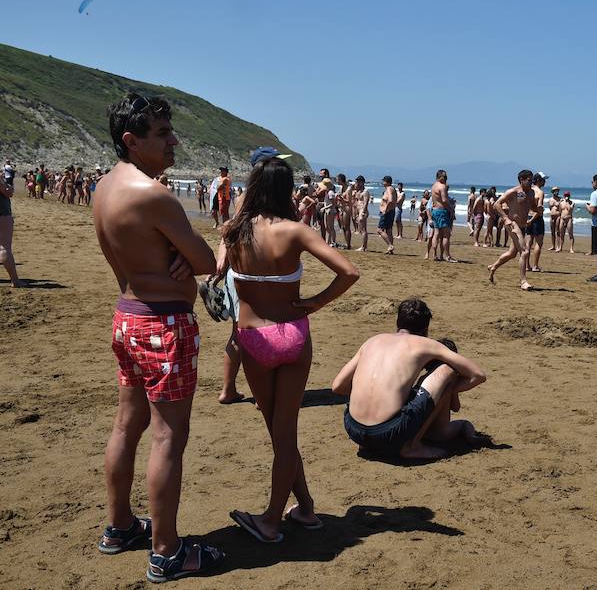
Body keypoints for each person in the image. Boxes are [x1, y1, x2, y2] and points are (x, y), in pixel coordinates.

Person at [94, 94, 224, 582]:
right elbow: (209, 262)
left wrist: (173, 254)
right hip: (163, 325)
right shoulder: (153, 195)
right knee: (169, 435)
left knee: (127, 426)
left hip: (127, 316)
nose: (174, 141)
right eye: (163, 134)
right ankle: (167, 551)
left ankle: (120, 526)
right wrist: (184, 256)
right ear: (132, 141)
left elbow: (138, 252)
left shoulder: (105, 188)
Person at [217, 150, 358, 543]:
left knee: (280, 436)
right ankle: (307, 509)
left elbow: (217, 269)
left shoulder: (234, 231)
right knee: (286, 435)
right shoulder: (296, 231)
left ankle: (271, 520)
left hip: (254, 336)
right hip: (294, 334)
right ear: (286, 189)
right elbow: (349, 271)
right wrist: (316, 302)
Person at [333, 298, 487, 460]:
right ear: (426, 329)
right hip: (390, 432)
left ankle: (369, 440)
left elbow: (338, 386)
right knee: (447, 370)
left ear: (398, 323)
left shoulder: (372, 341)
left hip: (354, 430)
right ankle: (412, 446)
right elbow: (477, 375)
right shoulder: (425, 343)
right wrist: (445, 392)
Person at [487, 170, 536, 290]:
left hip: (523, 226)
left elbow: (531, 206)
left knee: (512, 253)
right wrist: (505, 218)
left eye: (532, 180)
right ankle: (523, 282)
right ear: (521, 180)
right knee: (524, 251)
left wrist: (538, 209)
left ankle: (493, 267)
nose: (531, 182)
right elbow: (497, 204)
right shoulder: (513, 191)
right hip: (513, 224)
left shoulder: (531, 192)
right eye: (529, 180)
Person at [0, 176, 24, 287]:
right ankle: (15, 281)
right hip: (2, 214)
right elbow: (7, 192)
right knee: (4, 247)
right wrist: (8, 185)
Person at [430, 170, 455, 262]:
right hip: (441, 211)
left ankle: (435, 255)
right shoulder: (442, 186)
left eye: (446, 177)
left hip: (435, 211)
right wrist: (451, 210)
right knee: (446, 235)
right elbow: (444, 200)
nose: (445, 179)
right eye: (443, 177)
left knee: (436, 234)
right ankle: (447, 256)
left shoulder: (434, 186)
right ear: (438, 177)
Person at [525, 172, 548, 272]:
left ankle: (527, 266)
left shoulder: (529, 191)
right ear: (538, 180)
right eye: (543, 180)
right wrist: (532, 219)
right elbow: (539, 209)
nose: (545, 182)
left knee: (528, 243)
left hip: (528, 216)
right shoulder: (540, 192)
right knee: (538, 243)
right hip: (536, 218)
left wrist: (527, 219)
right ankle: (535, 266)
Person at [377, 175, 397, 254]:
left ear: (386, 182)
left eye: (383, 181)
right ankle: (390, 249)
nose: (382, 182)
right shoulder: (392, 189)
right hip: (391, 211)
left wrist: (386, 210)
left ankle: (390, 245)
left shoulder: (389, 188)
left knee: (379, 230)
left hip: (388, 212)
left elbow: (391, 200)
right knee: (389, 231)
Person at [354, 176, 370, 252]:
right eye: (357, 181)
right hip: (359, 210)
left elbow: (366, 202)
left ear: (362, 182)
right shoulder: (358, 191)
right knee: (361, 229)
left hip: (363, 210)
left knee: (363, 229)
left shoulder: (365, 191)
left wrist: (363, 212)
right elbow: (356, 202)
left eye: (359, 181)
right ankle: (364, 246)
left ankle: (363, 247)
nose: (357, 183)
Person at [548, 187, 561, 251]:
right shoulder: (550, 199)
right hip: (552, 216)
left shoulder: (560, 199)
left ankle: (558, 246)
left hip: (558, 216)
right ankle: (553, 246)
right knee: (552, 232)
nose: (557, 192)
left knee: (557, 231)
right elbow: (550, 208)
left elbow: (561, 209)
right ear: (553, 192)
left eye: (557, 191)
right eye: (555, 191)